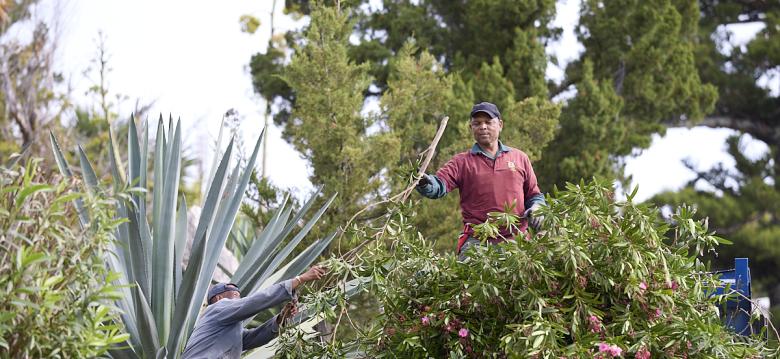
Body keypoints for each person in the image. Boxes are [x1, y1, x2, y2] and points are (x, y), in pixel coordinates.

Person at [416, 102, 546, 259]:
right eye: (477, 123)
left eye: (488, 122)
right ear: (471, 128)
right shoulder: (461, 162)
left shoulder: (519, 158)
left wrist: (537, 208)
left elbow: (534, 194)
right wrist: (424, 181)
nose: (483, 127)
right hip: (477, 243)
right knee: (466, 282)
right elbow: (439, 186)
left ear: (500, 124)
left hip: (516, 242)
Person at [181, 265, 327, 359]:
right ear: (218, 298)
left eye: (240, 294)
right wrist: (299, 279)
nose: (239, 296)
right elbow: (252, 303)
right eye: (234, 294)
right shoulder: (217, 309)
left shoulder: (227, 330)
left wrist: (281, 318)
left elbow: (256, 337)